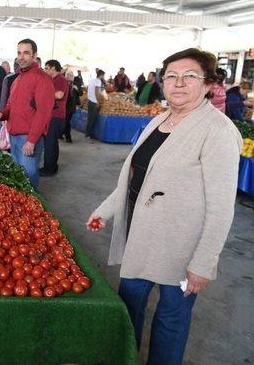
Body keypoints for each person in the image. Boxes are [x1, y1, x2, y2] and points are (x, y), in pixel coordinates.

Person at [86, 48, 242, 365]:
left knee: (171, 320)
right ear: (162, 82)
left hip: (182, 249)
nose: (179, 83)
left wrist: (204, 261)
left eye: (190, 76)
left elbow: (222, 206)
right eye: (171, 76)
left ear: (209, 84)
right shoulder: (159, 120)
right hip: (142, 237)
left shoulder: (218, 131)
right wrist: (104, 211)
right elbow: (133, 179)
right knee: (129, 305)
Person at [0, 39, 54, 190]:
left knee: (28, 177)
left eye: (26, 53)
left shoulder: (42, 79)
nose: (21, 57)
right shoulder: (17, 79)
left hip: (27, 138)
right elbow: (10, 106)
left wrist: (32, 140)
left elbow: (44, 112)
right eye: (19, 53)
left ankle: (32, 208)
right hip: (13, 135)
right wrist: (1, 114)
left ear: (35, 55)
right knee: (18, 177)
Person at [40, 59, 69, 176]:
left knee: (50, 143)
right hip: (52, 115)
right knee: (50, 143)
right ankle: (51, 166)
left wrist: (42, 94)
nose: (45, 70)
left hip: (56, 116)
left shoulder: (60, 79)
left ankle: (49, 169)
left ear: (53, 68)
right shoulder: (52, 79)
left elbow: (59, 94)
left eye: (47, 68)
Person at [62, 71, 82, 143]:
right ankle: (66, 135)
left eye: (71, 75)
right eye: (68, 75)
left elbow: (81, 93)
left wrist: (77, 88)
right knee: (65, 122)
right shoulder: (63, 83)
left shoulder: (76, 84)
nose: (70, 76)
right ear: (65, 76)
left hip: (71, 106)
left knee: (67, 121)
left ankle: (66, 135)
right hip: (63, 105)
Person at [86, 69, 105, 139]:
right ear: (101, 75)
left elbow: (88, 89)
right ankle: (90, 134)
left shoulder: (92, 80)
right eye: (103, 75)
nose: (103, 77)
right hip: (94, 101)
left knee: (89, 118)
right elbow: (97, 91)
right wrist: (97, 101)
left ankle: (87, 133)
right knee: (93, 119)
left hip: (90, 100)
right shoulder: (98, 81)